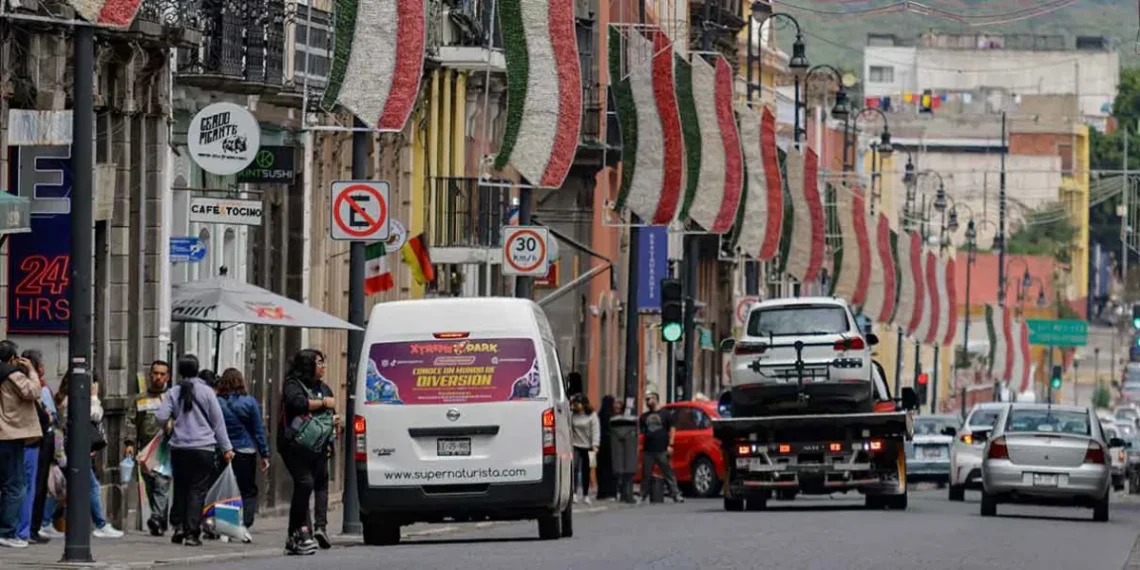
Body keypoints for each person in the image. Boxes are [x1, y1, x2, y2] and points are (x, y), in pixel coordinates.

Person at [157, 354, 233, 547]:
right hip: (203, 448)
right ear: (197, 369)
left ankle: (179, 527)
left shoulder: (173, 392)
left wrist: (171, 425)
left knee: (181, 487)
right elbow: (218, 422)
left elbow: (160, 415)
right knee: (197, 490)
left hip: (179, 447)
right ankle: (192, 533)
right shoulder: (207, 392)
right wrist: (226, 448)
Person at [278, 349, 339, 555]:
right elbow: (297, 403)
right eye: (319, 362)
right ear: (308, 365)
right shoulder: (293, 384)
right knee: (305, 483)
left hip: (318, 444)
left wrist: (333, 424)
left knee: (313, 483)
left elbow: (331, 412)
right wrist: (323, 404)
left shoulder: (324, 387)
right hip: (294, 444)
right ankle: (299, 532)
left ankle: (302, 532)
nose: (322, 367)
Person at [54, 372, 124, 538]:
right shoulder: (70, 400)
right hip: (72, 450)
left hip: (74, 449)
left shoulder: (69, 398)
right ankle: (100, 524)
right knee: (90, 486)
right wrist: (94, 396)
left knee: (68, 487)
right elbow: (95, 415)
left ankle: (48, 521)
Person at [216, 368, 270, 534]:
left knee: (226, 487)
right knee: (247, 489)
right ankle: (245, 522)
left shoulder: (217, 402)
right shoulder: (249, 402)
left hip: (224, 450)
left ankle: (226, 524)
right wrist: (264, 454)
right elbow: (258, 430)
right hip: (246, 449)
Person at [123, 360, 173, 536]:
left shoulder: (171, 398)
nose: (158, 377)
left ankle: (157, 518)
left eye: (162, 374)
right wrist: (129, 443)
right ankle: (159, 521)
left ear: (167, 376)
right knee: (151, 486)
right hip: (145, 451)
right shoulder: (140, 399)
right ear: (151, 375)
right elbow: (131, 421)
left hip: (165, 450)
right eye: (155, 373)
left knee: (162, 485)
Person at [0, 343, 42, 548]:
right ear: (12, 358)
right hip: (9, 434)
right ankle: (7, 532)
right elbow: (33, 391)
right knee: (14, 485)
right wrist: (32, 371)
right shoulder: (12, 374)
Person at [16, 350, 52, 544]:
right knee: (28, 487)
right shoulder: (30, 387)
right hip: (29, 442)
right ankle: (24, 530)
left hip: (19, 441)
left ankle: (23, 529)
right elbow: (44, 415)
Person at [639, 392, 683, 504]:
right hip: (648, 450)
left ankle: (676, 494)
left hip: (662, 449)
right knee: (646, 474)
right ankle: (642, 495)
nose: (647, 401)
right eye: (646, 399)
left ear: (656, 399)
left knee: (668, 472)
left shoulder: (665, 414)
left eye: (649, 399)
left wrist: (671, 444)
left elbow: (672, 429)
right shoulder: (644, 417)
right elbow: (641, 433)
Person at [570, 395, 600, 503]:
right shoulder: (572, 414)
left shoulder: (592, 415)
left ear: (584, 404)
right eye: (574, 403)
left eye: (577, 403)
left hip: (590, 446)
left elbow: (595, 430)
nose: (575, 405)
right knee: (574, 468)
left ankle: (586, 494)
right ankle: (574, 493)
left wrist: (595, 445)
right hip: (575, 445)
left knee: (588, 469)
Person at [609, 398, 638, 504]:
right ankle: (625, 494)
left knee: (625, 470)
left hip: (624, 443)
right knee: (624, 470)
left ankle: (625, 494)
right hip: (625, 443)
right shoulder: (612, 418)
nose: (617, 407)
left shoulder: (612, 419)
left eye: (619, 404)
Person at [595, 395, 616, 500]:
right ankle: (611, 492)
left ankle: (601, 492)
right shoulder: (612, 416)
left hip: (600, 445)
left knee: (600, 470)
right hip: (611, 446)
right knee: (611, 470)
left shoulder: (599, 415)